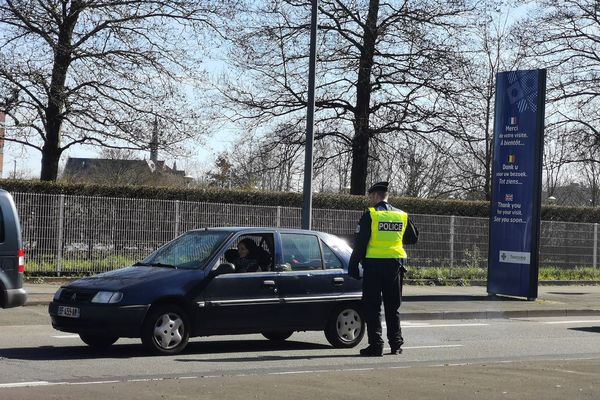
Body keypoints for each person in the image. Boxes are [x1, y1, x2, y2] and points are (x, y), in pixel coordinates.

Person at [348, 181, 419, 357]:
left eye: (370, 197)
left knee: (372, 307)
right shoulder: (401, 215)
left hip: (373, 266)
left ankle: (376, 345)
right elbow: (413, 237)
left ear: (374, 196)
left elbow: (360, 243)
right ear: (387, 196)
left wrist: (353, 265)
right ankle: (396, 345)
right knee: (392, 307)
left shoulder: (371, 214)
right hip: (394, 266)